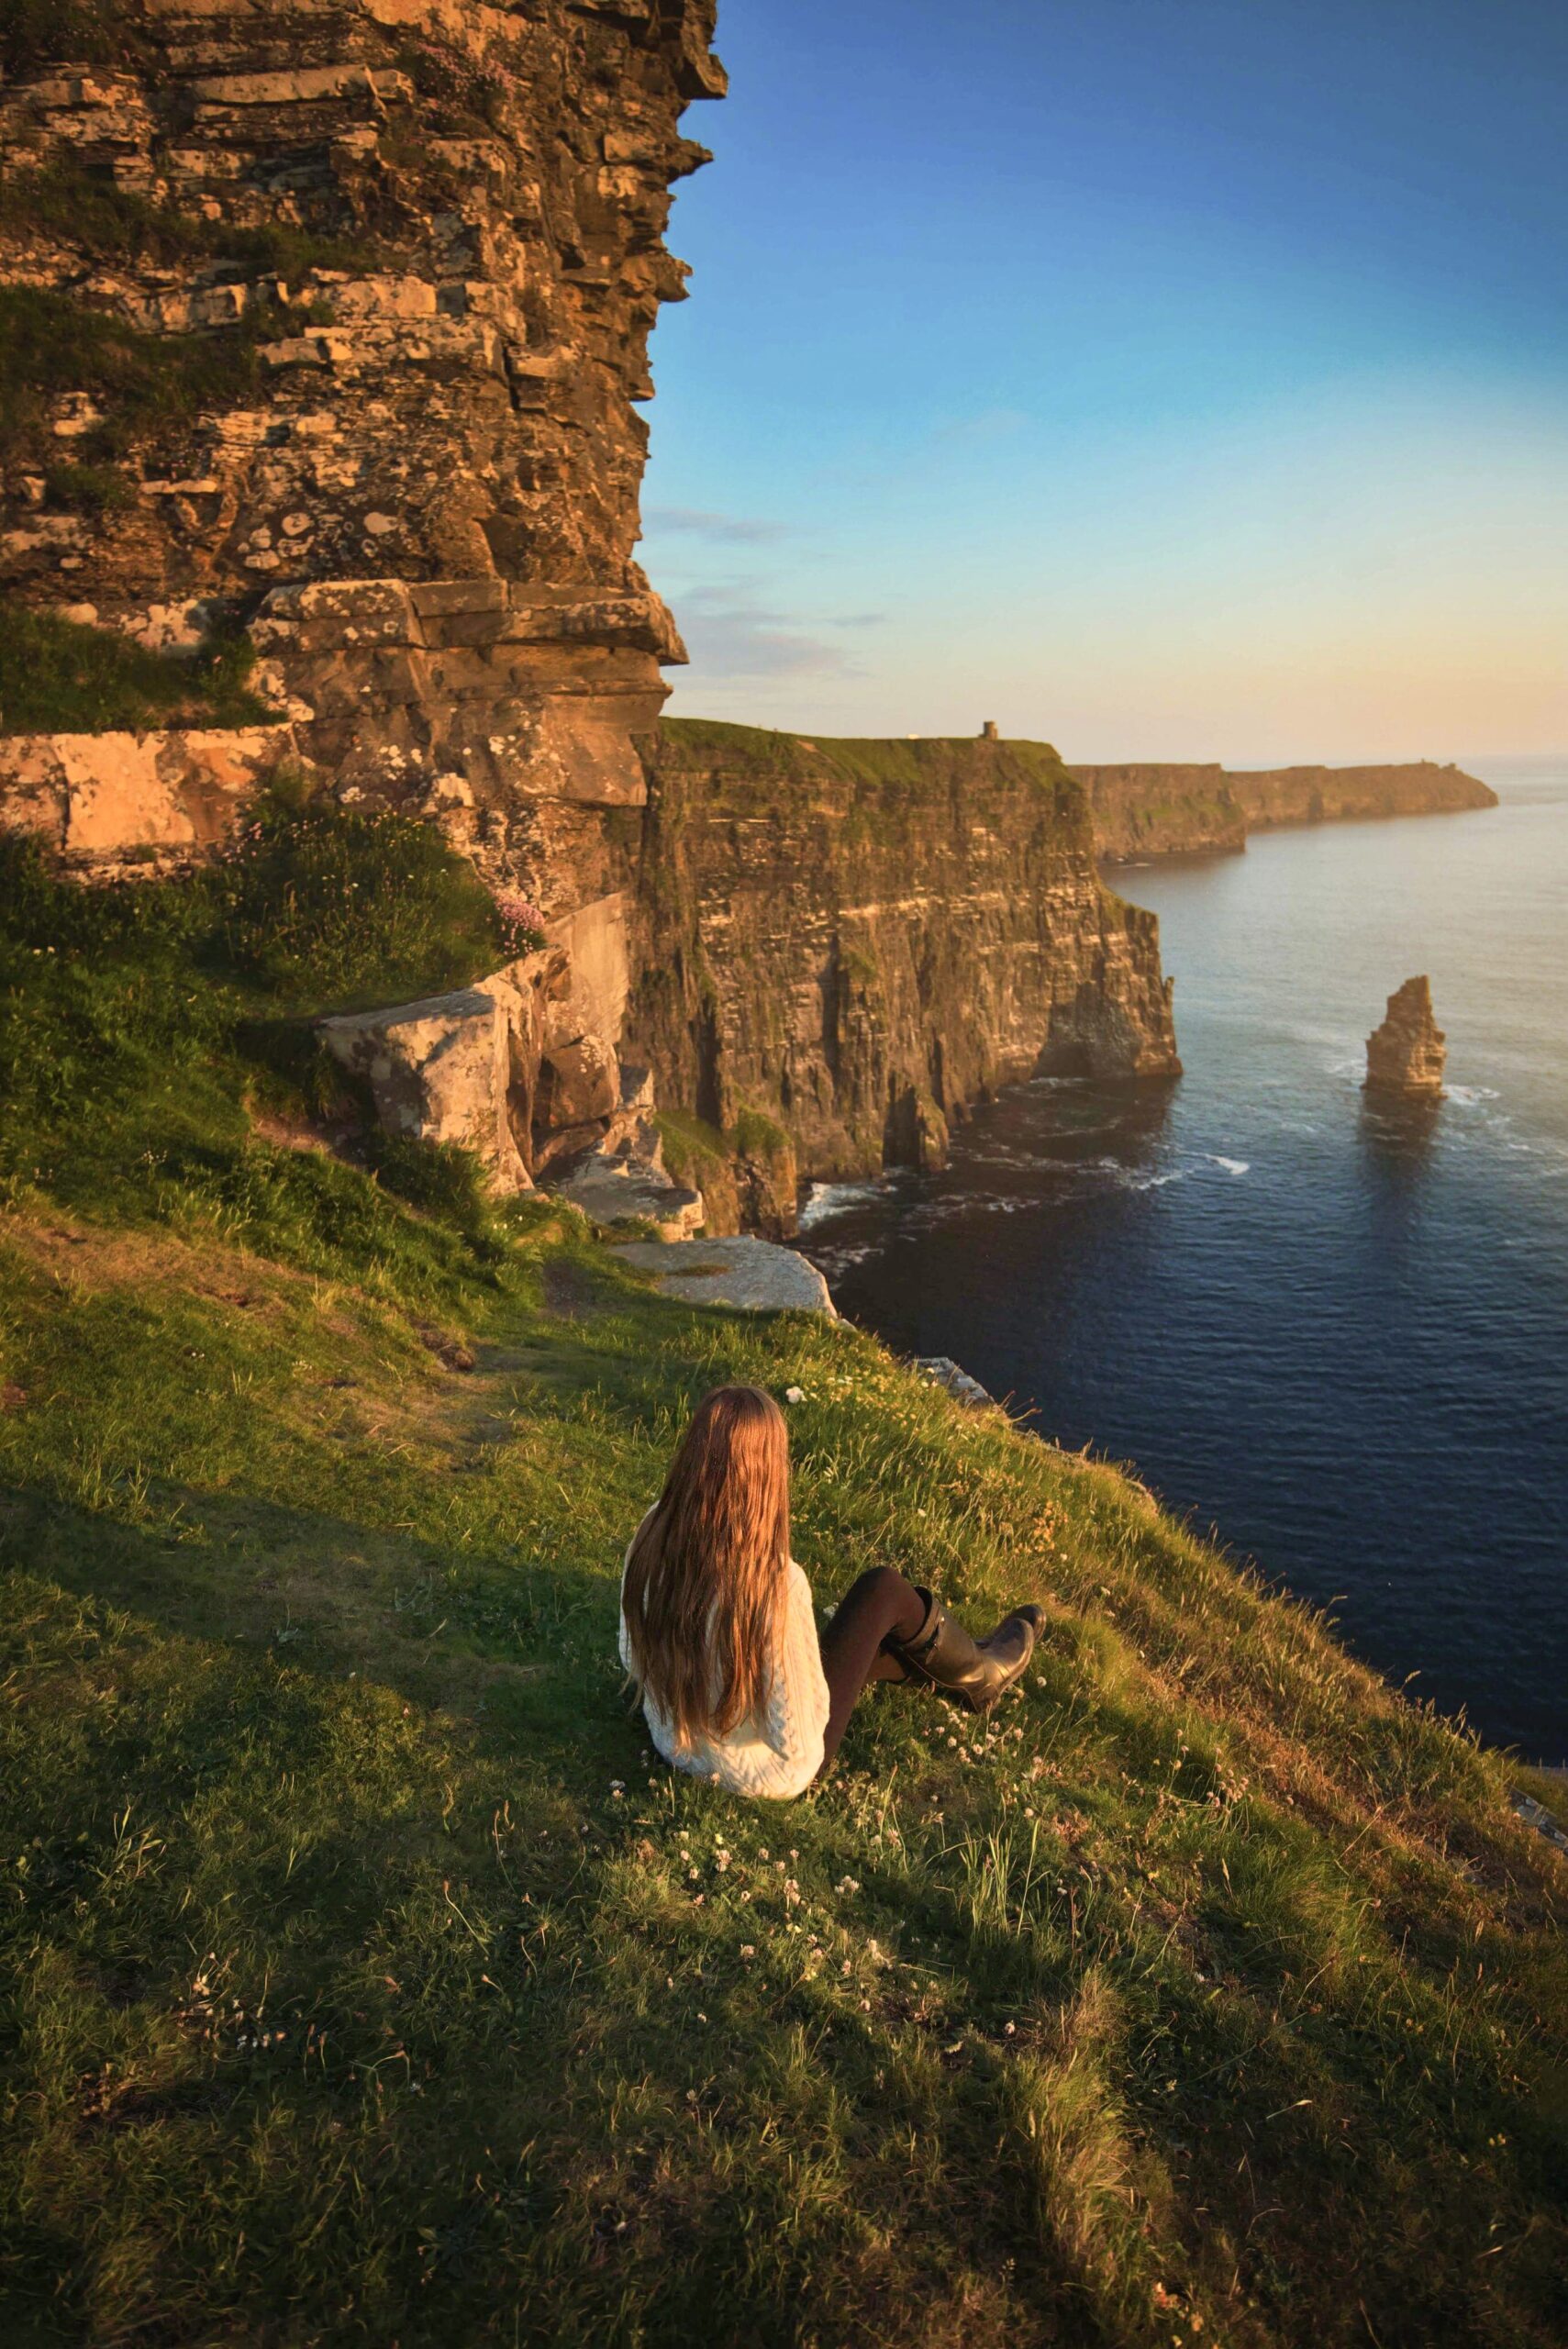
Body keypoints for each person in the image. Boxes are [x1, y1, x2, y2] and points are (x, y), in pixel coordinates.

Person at [619, 1383, 1046, 1800]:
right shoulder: (775, 1584)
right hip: (768, 1770)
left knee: (869, 1642)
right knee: (882, 1591)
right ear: (769, 1474)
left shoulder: (654, 1528)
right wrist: (812, 1686)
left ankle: (955, 1669)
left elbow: (630, 1654)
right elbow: (800, 1751)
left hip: (673, 1738)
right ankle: (983, 1677)